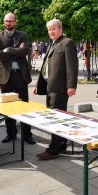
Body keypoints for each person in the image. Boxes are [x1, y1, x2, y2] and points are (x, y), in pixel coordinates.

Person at [34, 18, 78, 160]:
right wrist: (38, 85)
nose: (51, 32)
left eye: (53, 29)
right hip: (49, 86)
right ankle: (62, 144)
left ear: (60, 29)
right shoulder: (52, 44)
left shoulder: (67, 43)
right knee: (58, 117)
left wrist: (71, 86)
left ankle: (53, 150)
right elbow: (46, 67)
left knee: (56, 119)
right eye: (49, 29)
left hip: (59, 88)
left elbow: (72, 66)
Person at [0, 13, 35, 145]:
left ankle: (27, 134)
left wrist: (9, 50)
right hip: (5, 76)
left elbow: (25, 51)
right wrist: (17, 52)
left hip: (20, 75)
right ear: (3, 22)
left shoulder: (23, 35)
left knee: (24, 106)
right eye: (6, 21)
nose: (8, 23)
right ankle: (10, 133)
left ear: (15, 22)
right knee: (7, 106)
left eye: (11, 21)